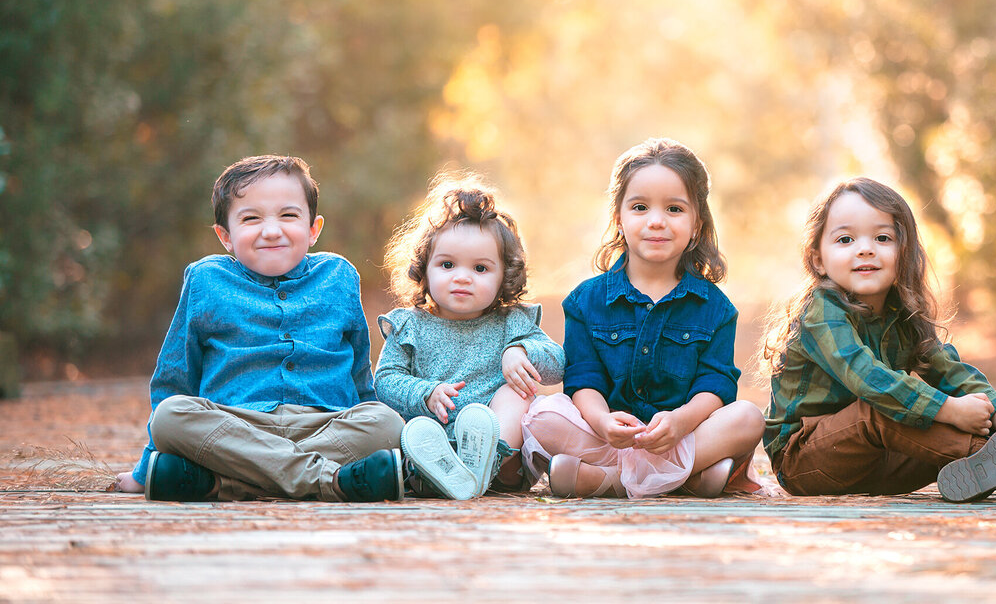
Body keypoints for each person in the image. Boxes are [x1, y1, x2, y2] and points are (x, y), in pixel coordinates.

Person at [761, 177, 996, 502]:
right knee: (886, 407)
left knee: (922, 408)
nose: (865, 250)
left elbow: (949, 370)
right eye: (846, 240)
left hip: (875, 461)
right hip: (805, 461)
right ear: (818, 258)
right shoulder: (822, 312)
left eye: (882, 238)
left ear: (903, 252)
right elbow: (870, 380)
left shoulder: (901, 312)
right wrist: (949, 409)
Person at [115, 155, 406, 503]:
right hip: (235, 426)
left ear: (313, 229)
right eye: (251, 219)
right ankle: (333, 480)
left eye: (288, 215)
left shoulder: (339, 276)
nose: (271, 230)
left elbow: (359, 373)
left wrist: (373, 420)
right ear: (225, 236)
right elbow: (175, 375)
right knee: (170, 417)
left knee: (388, 425)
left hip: (323, 425)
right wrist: (147, 465)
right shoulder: (207, 279)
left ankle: (226, 483)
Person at [522, 138, 765, 499]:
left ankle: (611, 481)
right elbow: (583, 379)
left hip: (682, 436)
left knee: (748, 417)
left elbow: (716, 385)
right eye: (640, 207)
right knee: (541, 416)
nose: (656, 221)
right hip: (610, 439)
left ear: (697, 224)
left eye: (674, 209)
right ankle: (685, 477)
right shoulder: (585, 301)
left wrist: (681, 421)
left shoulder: (716, 308)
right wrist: (604, 423)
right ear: (619, 218)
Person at [374, 174, 564, 499]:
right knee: (393, 422)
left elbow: (557, 365)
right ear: (424, 269)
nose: (462, 277)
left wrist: (520, 351)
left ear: (505, 275)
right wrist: (426, 392)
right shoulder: (410, 325)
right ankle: (448, 471)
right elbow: (385, 380)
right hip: (433, 446)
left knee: (518, 394)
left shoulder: (512, 322)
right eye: (447, 265)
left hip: (504, 461)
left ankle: (482, 465)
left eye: (480, 269)